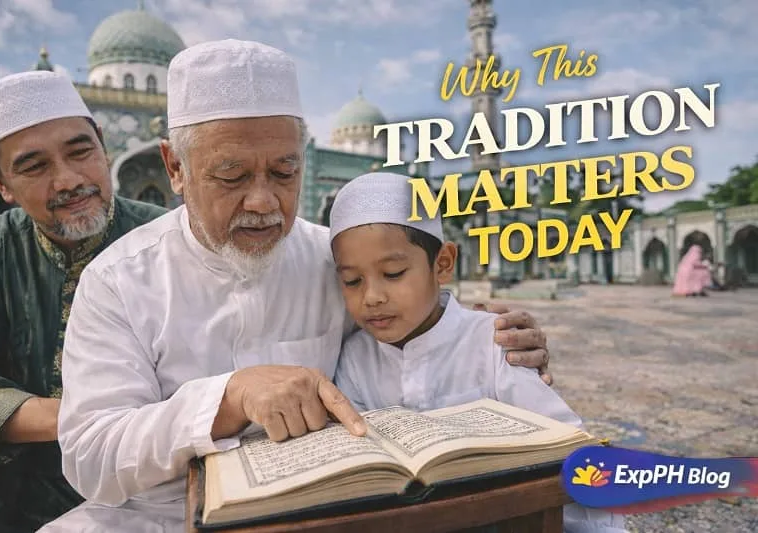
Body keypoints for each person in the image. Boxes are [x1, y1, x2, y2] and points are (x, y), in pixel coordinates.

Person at [42, 39, 553, 532]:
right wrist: (228, 399)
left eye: (284, 172)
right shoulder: (118, 281)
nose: (264, 201)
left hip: (325, 508)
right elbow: (91, 457)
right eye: (232, 175)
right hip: (159, 516)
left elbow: (409, 340)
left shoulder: (338, 261)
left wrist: (483, 337)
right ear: (175, 167)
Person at [329, 172, 627, 533]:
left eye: (393, 273)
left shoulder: (494, 344)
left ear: (442, 264)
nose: (372, 296)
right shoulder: (355, 359)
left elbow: (564, 447)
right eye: (352, 281)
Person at [0, 71, 167, 532]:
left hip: (150, 487)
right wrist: (87, 419)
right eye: (35, 167)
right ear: (0, 184)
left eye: (80, 152)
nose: (69, 180)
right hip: (21, 494)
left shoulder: (168, 239)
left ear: (104, 148)